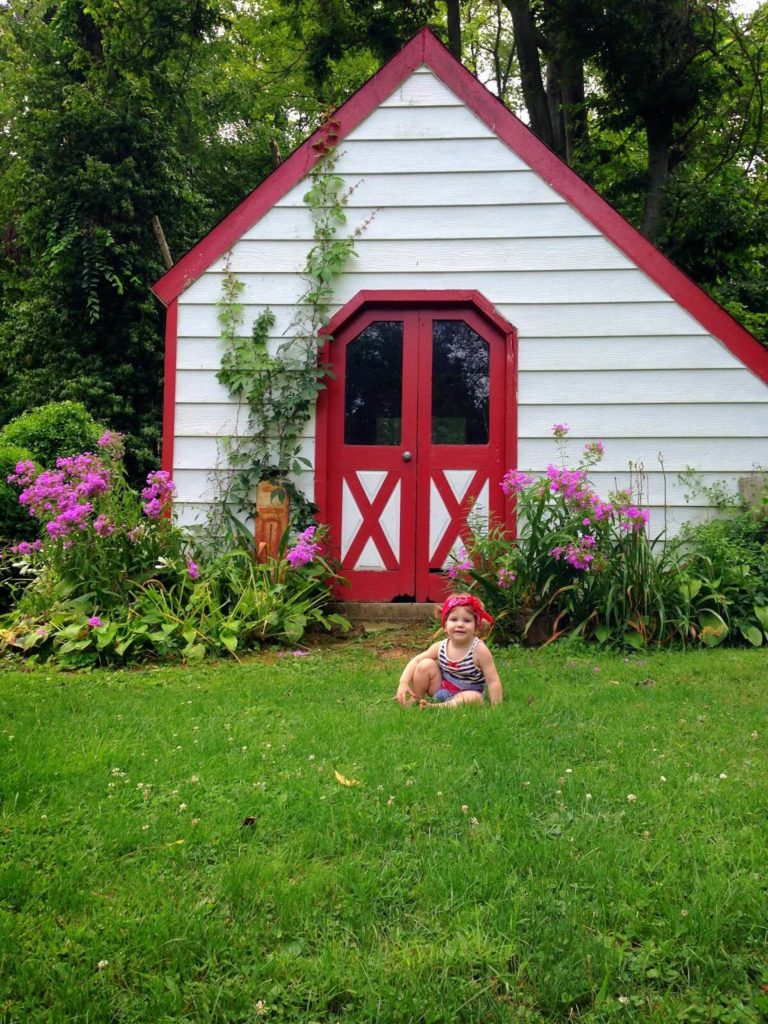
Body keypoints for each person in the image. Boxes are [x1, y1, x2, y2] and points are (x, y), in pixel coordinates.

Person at [395, 593, 503, 708]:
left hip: (467, 694)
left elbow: (493, 681)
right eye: (453, 619)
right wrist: (403, 682)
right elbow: (416, 661)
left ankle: (437, 707)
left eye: (467, 620)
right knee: (424, 664)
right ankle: (416, 698)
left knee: (474, 698)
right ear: (445, 625)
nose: (460, 624)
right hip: (441, 689)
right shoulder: (440, 646)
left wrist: (496, 708)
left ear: (476, 626)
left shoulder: (479, 650)